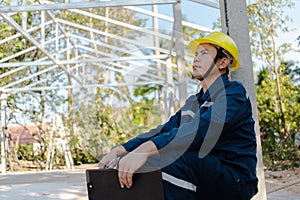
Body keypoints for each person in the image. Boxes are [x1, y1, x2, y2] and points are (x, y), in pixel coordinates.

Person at [98, 31, 258, 200]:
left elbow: (199, 130)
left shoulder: (233, 94)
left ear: (223, 62)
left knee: (172, 159)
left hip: (235, 180)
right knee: (140, 163)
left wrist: (146, 150)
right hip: (202, 172)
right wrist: (121, 150)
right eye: (196, 54)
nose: (196, 58)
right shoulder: (193, 102)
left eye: (204, 53)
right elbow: (162, 131)